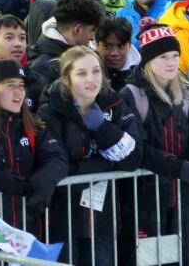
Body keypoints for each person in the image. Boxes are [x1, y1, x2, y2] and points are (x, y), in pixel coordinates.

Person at [119, 21, 189, 266]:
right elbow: (137, 149)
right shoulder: (131, 94)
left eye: (175, 55)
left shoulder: (188, 93)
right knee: (149, 261)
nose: (171, 62)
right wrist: (183, 168)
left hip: (182, 197)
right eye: (163, 56)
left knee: (180, 259)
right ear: (148, 60)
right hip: (144, 199)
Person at [37, 46, 142, 265]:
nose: (91, 79)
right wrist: (108, 163)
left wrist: (102, 128)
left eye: (96, 71)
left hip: (104, 216)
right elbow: (59, 164)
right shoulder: (49, 111)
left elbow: (133, 157)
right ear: (67, 78)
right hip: (63, 216)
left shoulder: (115, 104)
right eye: (81, 73)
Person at [0, 59, 68, 236]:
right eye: (10, 86)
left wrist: (44, 181)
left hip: (28, 228)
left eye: (22, 86)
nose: (19, 93)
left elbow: (57, 158)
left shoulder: (32, 125)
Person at [28, 0, 105, 84]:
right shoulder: (43, 67)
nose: (92, 37)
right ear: (77, 29)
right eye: (92, 30)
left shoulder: (87, 54)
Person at [96, 17, 138, 91]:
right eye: (107, 46)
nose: (114, 53)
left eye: (121, 46)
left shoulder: (139, 78)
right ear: (97, 45)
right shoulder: (88, 73)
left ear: (130, 45)